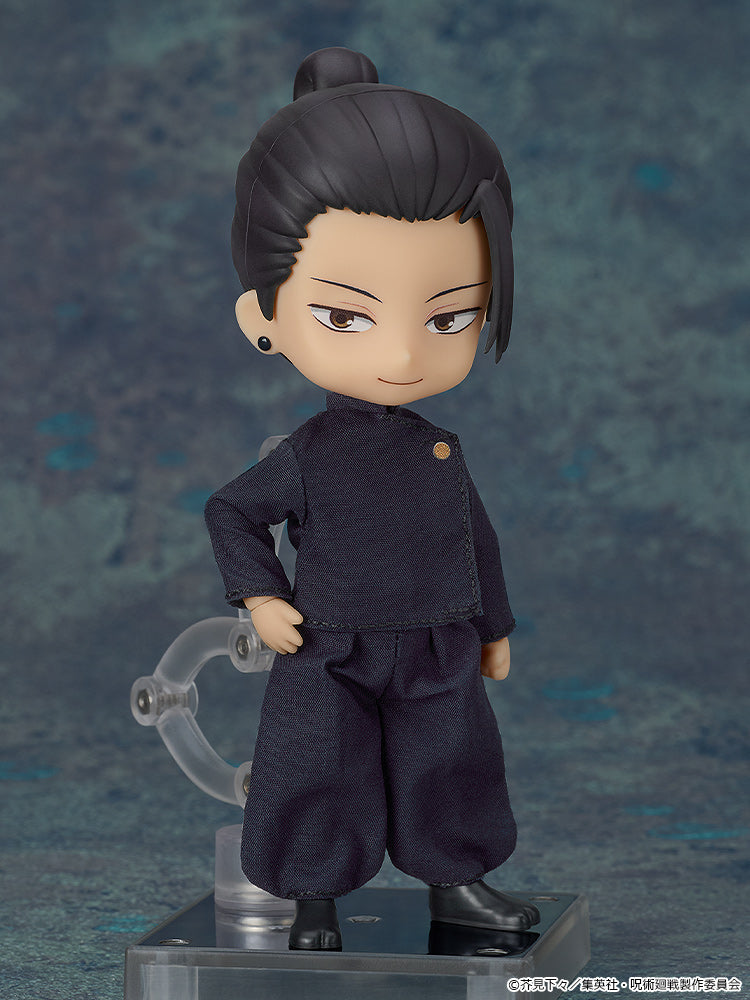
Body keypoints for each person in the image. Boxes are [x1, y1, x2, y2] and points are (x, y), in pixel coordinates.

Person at [205, 46, 540, 950]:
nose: (402, 352)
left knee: (452, 762)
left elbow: (473, 536)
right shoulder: (307, 456)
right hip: (330, 643)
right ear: (263, 318)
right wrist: (261, 595)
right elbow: (232, 511)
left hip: (437, 638)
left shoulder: (438, 448)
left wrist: (493, 626)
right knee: (317, 767)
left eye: (448, 316)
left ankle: (457, 882)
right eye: (346, 316)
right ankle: (312, 898)